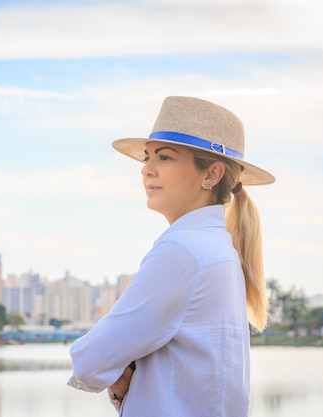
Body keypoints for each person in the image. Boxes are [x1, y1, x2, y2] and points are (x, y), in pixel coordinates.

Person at [67, 96, 275, 416]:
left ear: (212, 174)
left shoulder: (183, 251)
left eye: (164, 158)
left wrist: (120, 374)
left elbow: (90, 361)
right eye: (147, 158)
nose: (146, 170)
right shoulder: (219, 250)